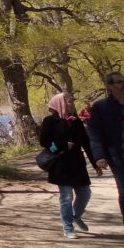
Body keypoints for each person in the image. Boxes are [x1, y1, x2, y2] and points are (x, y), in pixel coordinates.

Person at [41, 92, 101, 239]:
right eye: (68, 101)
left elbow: (86, 142)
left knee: (85, 194)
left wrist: (95, 163)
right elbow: (44, 141)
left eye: (72, 100)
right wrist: (63, 145)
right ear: (60, 103)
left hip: (77, 163)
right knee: (66, 196)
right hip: (60, 164)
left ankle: (75, 215)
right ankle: (67, 226)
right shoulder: (49, 121)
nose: (72, 103)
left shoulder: (76, 121)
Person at [88, 71, 124, 225]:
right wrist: (99, 156)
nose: (123, 84)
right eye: (119, 82)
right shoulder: (101, 107)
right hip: (117, 156)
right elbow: (95, 133)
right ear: (110, 86)